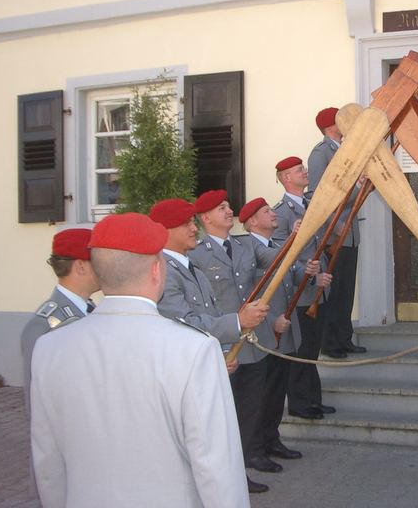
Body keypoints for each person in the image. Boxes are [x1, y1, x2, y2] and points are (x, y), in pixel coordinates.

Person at [29, 212, 249, 508]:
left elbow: (48, 464)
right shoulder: (194, 349)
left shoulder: (49, 348)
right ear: (157, 270)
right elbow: (217, 467)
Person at [150, 197, 270, 494]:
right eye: (187, 224)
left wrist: (220, 353)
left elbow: (208, 315)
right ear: (165, 230)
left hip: (210, 360)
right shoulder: (165, 272)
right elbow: (185, 324)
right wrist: (237, 322)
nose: (194, 228)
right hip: (187, 372)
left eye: (193, 222)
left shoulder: (188, 266)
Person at [241, 197, 314, 464]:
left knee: (277, 391)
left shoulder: (276, 244)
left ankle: (272, 439)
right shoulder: (247, 247)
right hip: (265, 330)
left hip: (283, 330)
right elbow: (249, 292)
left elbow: (289, 277)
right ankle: (256, 448)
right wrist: (271, 320)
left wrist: (307, 272)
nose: (273, 214)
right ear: (252, 222)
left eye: (271, 210)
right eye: (266, 212)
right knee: (261, 393)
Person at [273, 156, 335, 419]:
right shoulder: (281, 212)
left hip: (318, 286)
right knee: (300, 350)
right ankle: (299, 403)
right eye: (299, 170)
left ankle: (313, 398)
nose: (305, 172)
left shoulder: (310, 203)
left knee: (312, 348)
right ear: (287, 178)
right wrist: (310, 276)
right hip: (300, 291)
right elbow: (276, 255)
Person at [308, 106, 366, 358]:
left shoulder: (345, 150)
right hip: (336, 232)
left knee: (346, 289)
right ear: (330, 126)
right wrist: (334, 223)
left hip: (349, 230)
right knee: (334, 288)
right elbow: (320, 196)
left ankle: (344, 337)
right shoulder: (321, 153)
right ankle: (330, 342)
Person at [21, 228, 100, 413]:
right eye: (99, 262)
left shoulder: (90, 310)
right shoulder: (44, 325)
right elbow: (38, 403)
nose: (106, 268)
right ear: (81, 267)